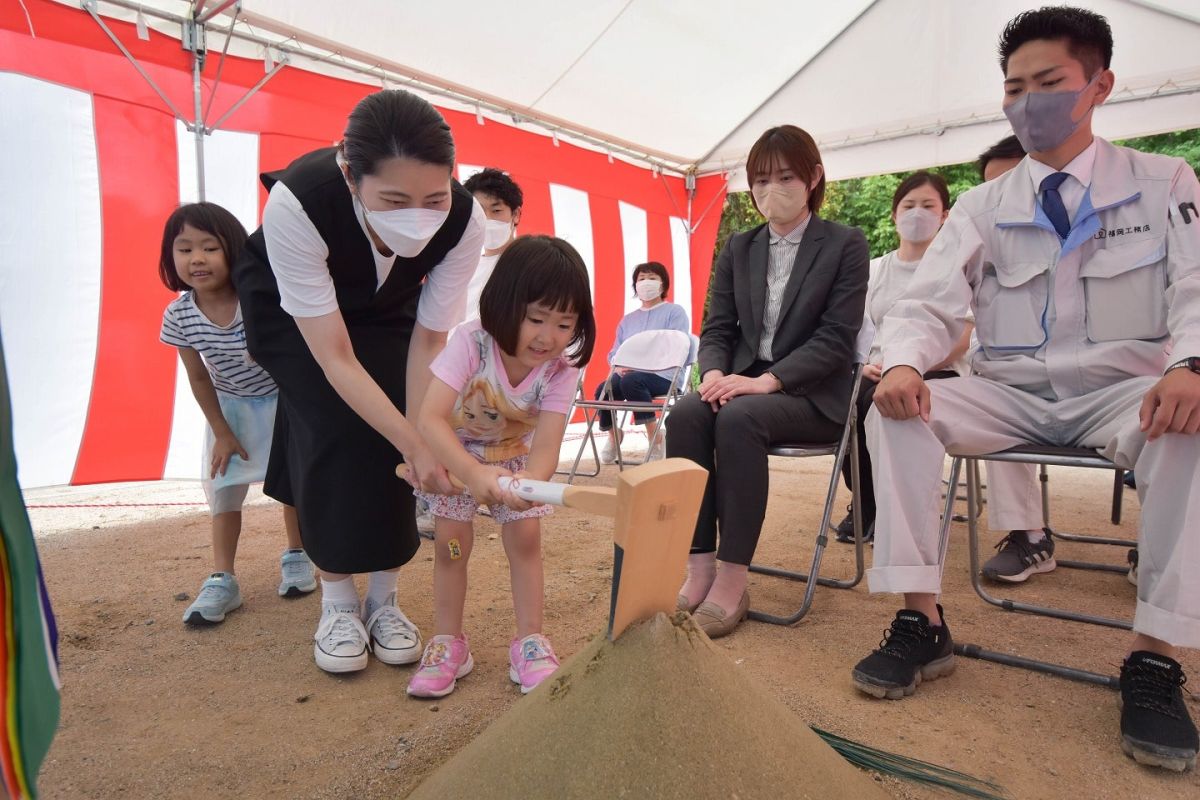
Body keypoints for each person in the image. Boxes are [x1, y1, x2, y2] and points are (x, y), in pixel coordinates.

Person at [850, 7, 1199, 771]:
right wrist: (904, 359)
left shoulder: (1161, 181)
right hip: (1010, 390)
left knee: (1194, 426)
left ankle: (1153, 656)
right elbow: (927, 304)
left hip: (1122, 389)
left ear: (1099, 85)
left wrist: (1191, 364)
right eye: (1014, 87)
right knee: (893, 407)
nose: (1028, 101)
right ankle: (922, 620)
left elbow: (1196, 289)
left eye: (1049, 83)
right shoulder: (982, 205)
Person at [233, 89, 486, 674]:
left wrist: (421, 433)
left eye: (434, 197)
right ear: (351, 175)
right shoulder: (299, 203)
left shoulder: (466, 221)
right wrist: (412, 441)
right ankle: (339, 601)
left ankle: (385, 598)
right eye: (394, 199)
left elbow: (429, 340)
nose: (418, 215)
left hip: (385, 305)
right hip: (292, 311)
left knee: (399, 418)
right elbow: (337, 357)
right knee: (332, 421)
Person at [667, 124, 869, 639]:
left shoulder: (845, 244)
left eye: (783, 177)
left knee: (738, 417)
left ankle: (734, 577)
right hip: (743, 381)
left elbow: (836, 338)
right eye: (759, 180)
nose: (768, 191)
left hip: (813, 392)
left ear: (813, 178)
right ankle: (700, 565)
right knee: (688, 412)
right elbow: (717, 326)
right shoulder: (741, 246)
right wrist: (712, 373)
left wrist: (768, 381)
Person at [408, 236, 594, 697]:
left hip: (514, 460)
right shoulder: (471, 341)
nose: (548, 336)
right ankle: (449, 642)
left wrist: (530, 483)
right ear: (504, 304)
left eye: (564, 324)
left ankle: (530, 640)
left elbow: (547, 445)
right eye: (536, 318)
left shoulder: (561, 370)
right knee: (452, 545)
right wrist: (472, 476)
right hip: (457, 457)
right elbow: (430, 418)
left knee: (526, 540)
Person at [158, 202, 315, 626]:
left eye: (209, 248)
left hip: (282, 403)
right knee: (224, 489)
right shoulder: (179, 315)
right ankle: (223, 578)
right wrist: (221, 431)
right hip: (229, 411)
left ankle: (297, 555)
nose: (196, 259)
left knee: (292, 485)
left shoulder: (260, 300)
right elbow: (198, 379)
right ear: (170, 258)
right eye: (184, 249)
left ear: (233, 251)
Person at [594, 261, 692, 464]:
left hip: (664, 376)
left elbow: (677, 346)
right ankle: (614, 436)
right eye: (641, 279)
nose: (646, 282)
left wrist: (642, 364)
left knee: (633, 381)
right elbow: (615, 351)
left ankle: (655, 437)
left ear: (663, 285)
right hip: (629, 375)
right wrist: (619, 365)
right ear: (635, 286)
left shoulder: (675, 312)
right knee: (603, 389)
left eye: (652, 278)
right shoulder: (628, 320)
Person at [461, 167, 523, 321]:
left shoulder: (530, 264)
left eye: (496, 211)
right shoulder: (461, 266)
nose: (487, 219)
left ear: (516, 214)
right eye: (480, 211)